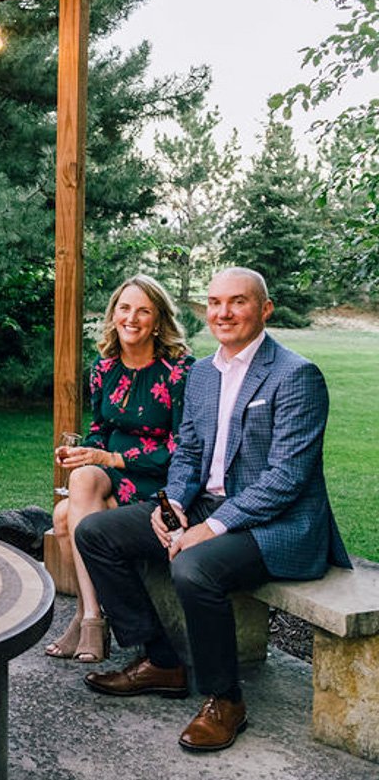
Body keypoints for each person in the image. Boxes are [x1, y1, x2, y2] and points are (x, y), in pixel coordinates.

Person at [75, 267, 351, 752]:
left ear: (264, 309)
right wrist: (173, 502)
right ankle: (161, 661)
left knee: (194, 566)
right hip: (204, 502)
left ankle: (225, 699)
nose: (223, 312)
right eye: (215, 302)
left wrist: (212, 526)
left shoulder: (296, 375)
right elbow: (188, 452)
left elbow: (286, 479)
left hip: (278, 523)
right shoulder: (203, 373)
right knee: (97, 532)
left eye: (238, 302)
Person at [46, 275, 194, 663]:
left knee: (64, 517)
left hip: (160, 487)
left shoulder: (179, 372)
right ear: (113, 316)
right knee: (81, 476)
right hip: (111, 478)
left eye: (143, 310)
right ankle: (93, 615)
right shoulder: (104, 369)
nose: (132, 318)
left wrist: (110, 458)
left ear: (158, 320)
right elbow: (100, 431)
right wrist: (82, 454)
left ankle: (85, 616)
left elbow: (182, 448)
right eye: (124, 309)